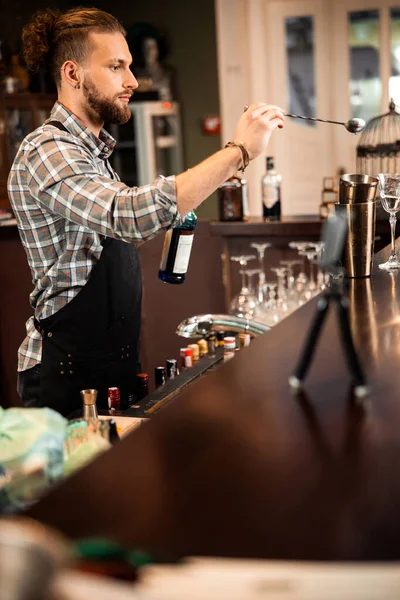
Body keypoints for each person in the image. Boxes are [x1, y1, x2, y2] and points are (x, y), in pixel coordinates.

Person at [7, 7, 285, 416]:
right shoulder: (46, 151)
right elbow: (129, 215)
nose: (132, 81)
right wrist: (238, 152)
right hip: (66, 380)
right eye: (116, 66)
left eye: (129, 66)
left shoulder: (92, 155)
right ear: (72, 73)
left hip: (110, 368)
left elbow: (132, 214)